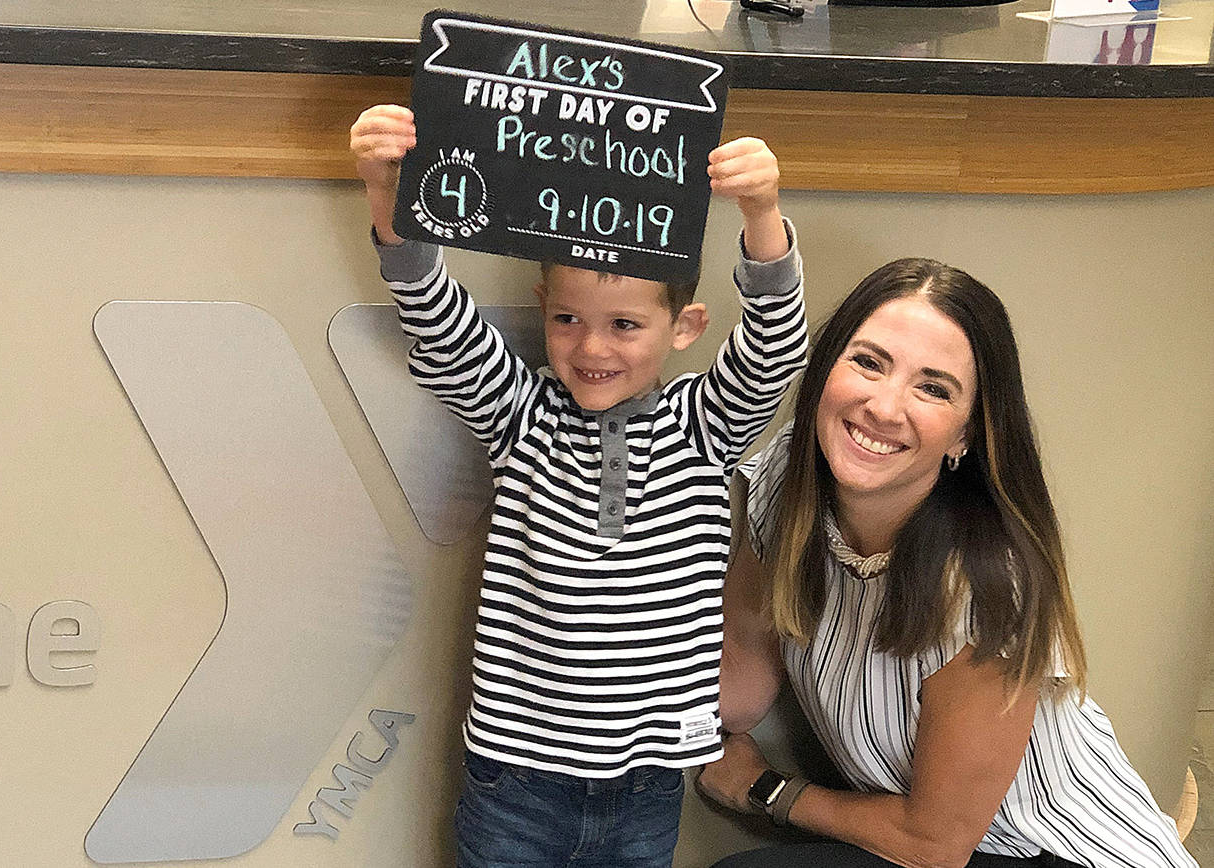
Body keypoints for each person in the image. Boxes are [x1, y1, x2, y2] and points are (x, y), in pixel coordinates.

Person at [349, 103, 808, 867]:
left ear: (685, 327)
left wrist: (762, 213)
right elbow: (434, 316)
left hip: (649, 785)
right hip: (515, 782)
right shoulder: (518, 412)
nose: (591, 346)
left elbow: (773, 348)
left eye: (625, 325)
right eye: (567, 319)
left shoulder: (705, 425)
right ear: (543, 311)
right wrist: (382, 192)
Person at [697, 258, 1197, 867]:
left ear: (965, 435)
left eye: (933, 389)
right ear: (824, 368)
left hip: (1050, 852)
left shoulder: (985, 587)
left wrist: (765, 789)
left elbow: (933, 845)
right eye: (868, 362)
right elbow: (738, 689)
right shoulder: (788, 477)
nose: (884, 407)